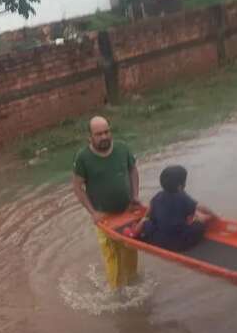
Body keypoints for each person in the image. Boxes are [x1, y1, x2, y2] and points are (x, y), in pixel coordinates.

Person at [72, 116, 140, 290]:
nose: (103, 137)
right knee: (114, 261)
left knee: (131, 252)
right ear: (90, 137)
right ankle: (116, 297)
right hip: (104, 218)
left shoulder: (122, 148)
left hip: (127, 212)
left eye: (106, 132)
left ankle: (134, 288)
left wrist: (135, 196)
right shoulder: (83, 157)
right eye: (98, 134)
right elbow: (78, 187)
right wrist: (93, 212)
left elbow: (133, 171)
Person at [128, 165, 216, 251]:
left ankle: (134, 232)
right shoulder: (183, 197)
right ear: (180, 186)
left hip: (158, 240)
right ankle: (207, 219)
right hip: (180, 243)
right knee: (200, 219)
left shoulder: (157, 196)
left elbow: (147, 215)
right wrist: (214, 215)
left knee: (144, 221)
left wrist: (144, 222)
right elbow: (201, 207)